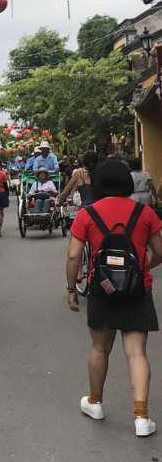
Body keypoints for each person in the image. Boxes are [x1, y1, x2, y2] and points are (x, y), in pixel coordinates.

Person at [66, 159, 162, 437]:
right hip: (137, 291)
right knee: (136, 352)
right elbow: (159, 251)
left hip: (102, 289)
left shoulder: (87, 214)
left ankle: (95, 403)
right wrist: (144, 268)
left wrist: (72, 289)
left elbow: (74, 256)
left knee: (99, 348)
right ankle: (142, 417)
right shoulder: (144, 213)